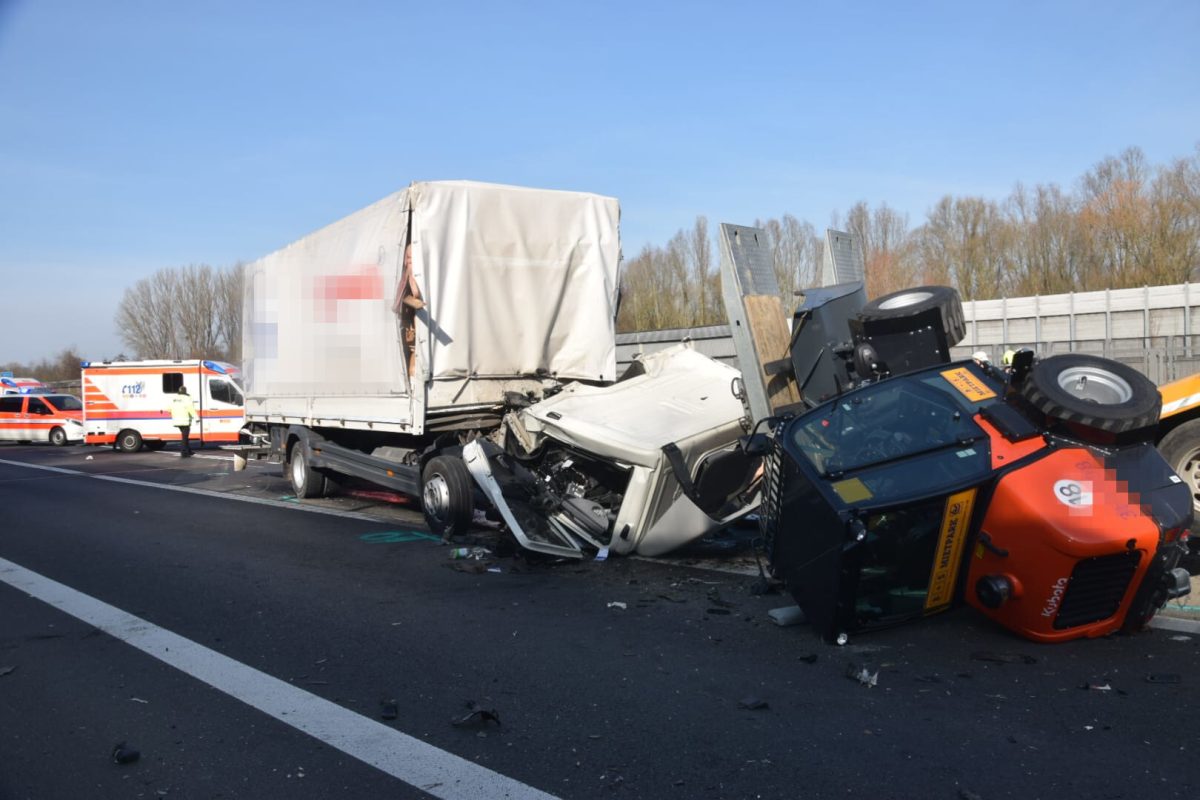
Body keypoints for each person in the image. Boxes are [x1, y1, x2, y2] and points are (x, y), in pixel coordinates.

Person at [170, 386, 199, 457]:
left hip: (176, 421)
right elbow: (191, 409)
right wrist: (196, 418)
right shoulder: (187, 398)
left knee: (185, 436)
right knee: (184, 437)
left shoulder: (174, 398)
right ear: (185, 391)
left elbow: (168, 409)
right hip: (185, 421)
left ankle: (188, 451)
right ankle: (183, 452)